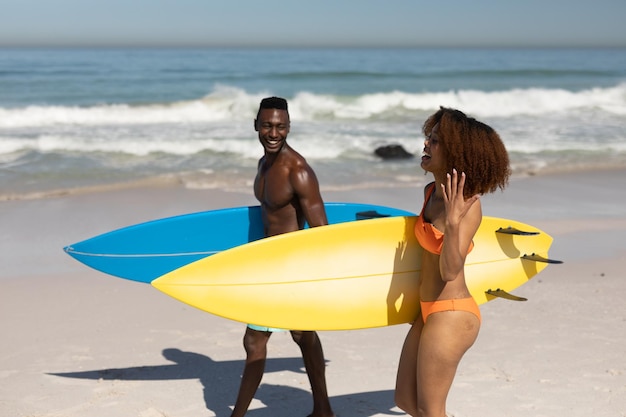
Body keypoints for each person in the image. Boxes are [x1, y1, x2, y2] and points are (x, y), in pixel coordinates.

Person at [394, 107, 511, 417]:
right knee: (406, 401)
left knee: (430, 410)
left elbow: (449, 270)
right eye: (428, 139)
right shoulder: (431, 192)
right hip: (427, 311)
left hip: (452, 314)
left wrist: (455, 223)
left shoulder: (468, 206)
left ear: (455, 151)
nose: (425, 145)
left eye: (434, 141)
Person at [230, 97, 335, 417]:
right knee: (298, 336)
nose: (273, 133)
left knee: (258, 339)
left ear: (288, 128)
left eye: (280, 126)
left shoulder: (298, 170)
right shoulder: (264, 163)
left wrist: (319, 278)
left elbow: (321, 230)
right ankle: (323, 410)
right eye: (267, 125)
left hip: (292, 267)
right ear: (256, 126)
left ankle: (239, 415)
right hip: (268, 264)